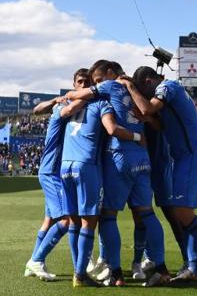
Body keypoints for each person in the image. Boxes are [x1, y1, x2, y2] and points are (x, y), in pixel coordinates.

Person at [66, 60, 168, 287]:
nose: (98, 84)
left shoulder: (111, 86)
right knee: (147, 214)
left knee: (108, 216)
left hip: (119, 156)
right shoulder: (136, 87)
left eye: (99, 79)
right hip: (143, 159)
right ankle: (160, 268)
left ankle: (116, 273)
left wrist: (66, 97)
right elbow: (152, 117)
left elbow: (78, 95)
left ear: (111, 73)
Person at [122, 66, 197, 286]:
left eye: (143, 89)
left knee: (182, 212)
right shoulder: (169, 91)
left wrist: (130, 87)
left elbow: (148, 108)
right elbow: (159, 123)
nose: (145, 95)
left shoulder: (169, 86)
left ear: (149, 82)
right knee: (182, 214)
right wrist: (148, 118)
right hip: (181, 159)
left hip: (191, 156)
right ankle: (193, 267)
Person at [24, 68, 90, 282]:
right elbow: (37, 109)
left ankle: (35, 263)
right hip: (53, 171)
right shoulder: (65, 105)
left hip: (60, 172)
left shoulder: (73, 102)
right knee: (67, 220)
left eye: (87, 81)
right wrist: (58, 99)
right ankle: (36, 259)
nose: (83, 84)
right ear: (74, 83)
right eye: (80, 81)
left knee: (49, 219)